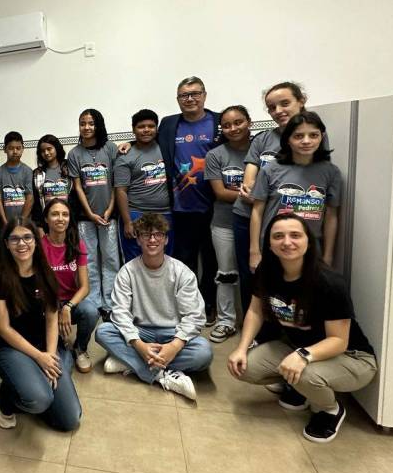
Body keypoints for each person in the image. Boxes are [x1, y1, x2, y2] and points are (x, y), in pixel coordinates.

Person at [227, 214, 377, 443]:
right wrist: (241, 348)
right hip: (298, 347)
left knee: (305, 375)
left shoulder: (329, 282)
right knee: (245, 367)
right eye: (278, 236)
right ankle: (299, 387)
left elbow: (339, 341)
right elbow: (256, 311)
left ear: (309, 241)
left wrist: (303, 356)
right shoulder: (267, 270)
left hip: (352, 358)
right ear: (269, 244)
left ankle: (329, 409)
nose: (287, 242)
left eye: (295, 235)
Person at [94, 213, 213, 400]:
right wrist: (139, 344)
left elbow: (194, 315)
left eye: (158, 235)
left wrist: (175, 346)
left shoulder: (182, 272)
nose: (152, 240)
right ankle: (162, 375)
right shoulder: (127, 272)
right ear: (138, 239)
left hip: (172, 332)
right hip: (141, 332)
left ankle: (129, 362)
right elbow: (120, 313)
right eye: (145, 235)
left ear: (166, 239)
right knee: (103, 332)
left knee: (204, 352)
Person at [234, 82, 328, 313]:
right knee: (252, 273)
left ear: (301, 101)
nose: (278, 111)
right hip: (249, 215)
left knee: (288, 278)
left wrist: (266, 193)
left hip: (286, 221)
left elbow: (311, 179)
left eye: (284, 103)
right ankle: (254, 324)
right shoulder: (263, 139)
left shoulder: (312, 137)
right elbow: (249, 185)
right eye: (271, 107)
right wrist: (259, 192)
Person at [0, 217, 82, 431]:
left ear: (36, 241)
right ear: (6, 244)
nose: (22, 243)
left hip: (42, 344)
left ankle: (37, 380)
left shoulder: (46, 273)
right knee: (39, 400)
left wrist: (50, 356)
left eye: (27, 237)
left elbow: (51, 318)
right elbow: (4, 329)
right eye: (15, 239)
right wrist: (39, 358)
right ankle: (5, 395)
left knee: (69, 420)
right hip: (10, 347)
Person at [158, 77, 221, 324]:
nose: (190, 99)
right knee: (185, 260)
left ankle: (209, 305)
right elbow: (150, 141)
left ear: (204, 95)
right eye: (184, 95)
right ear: (178, 99)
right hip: (181, 206)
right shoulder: (169, 124)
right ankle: (188, 306)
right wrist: (128, 145)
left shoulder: (218, 121)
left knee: (212, 260)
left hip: (214, 205)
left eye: (195, 93)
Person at [250, 111, 342, 271]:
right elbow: (257, 212)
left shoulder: (331, 172)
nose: (306, 141)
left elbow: (331, 216)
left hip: (311, 250)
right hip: (275, 246)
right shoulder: (270, 170)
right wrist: (254, 251)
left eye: (313, 135)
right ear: (288, 139)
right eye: (298, 136)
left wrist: (328, 255)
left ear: (322, 137)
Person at [203, 105, 252, 343]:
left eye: (238, 122)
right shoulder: (215, 155)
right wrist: (257, 197)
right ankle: (226, 321)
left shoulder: (261, 152)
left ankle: (258, 326)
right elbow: (220, 193)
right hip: (224, 223)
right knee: (226, 273)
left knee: (257, 273)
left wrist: (257, 199)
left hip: (259, 221)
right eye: (227, 125)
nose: (233, 128)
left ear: (249, 122)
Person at [67, 108, 120, 313]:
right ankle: (93, 302)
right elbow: (77, 187)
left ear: (98, 125)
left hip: (109, 215)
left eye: (91, 123)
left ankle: (110, 303)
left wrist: (110, 208)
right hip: (85, 217)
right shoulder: (74, 153)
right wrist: (89, 213)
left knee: (110, 259)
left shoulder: (110, 148)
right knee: (88, 260)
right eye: (83, 123)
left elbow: (116, 182)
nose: (87, 127)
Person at [41, 199, 100, 373]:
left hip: (70, 302)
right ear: (46, 219)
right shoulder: (39, 246)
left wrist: (67, 307)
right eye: (55, 214)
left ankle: (80, 348)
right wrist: (55, 308)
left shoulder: (77, 244)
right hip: (46, 303)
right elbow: (38, 286)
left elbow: (85, 287)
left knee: (90, 311)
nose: (60, 218)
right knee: (58, 359)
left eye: (65, 214)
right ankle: (57, 341)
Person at [113, 110, 171, 262]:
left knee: (166, 258)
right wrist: (127, 222)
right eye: (141, 127)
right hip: (136, 214)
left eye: (151, 126)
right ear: (133, 129)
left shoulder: (166, 148)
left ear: (157, 129)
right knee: (135, 260)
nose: (146, 130)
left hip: (166, 213)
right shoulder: (125, 156)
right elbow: (121, 191)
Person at [0, 131, 34, 227]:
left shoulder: (28, 171)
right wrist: (5, 222)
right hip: (5, 224)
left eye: (18, 148)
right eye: (11, 148)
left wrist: (21, 222)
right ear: (4, 149)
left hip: (25, 223)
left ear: (23, 149)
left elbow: (30, 199)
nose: (15, 151)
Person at [32, 134, 73, 221]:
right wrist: (39, 225)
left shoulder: (70, 168)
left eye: (49, 149)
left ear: (56, 148)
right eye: (42, 151)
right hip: (47, 221)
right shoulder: (37, 174)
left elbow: (76, 196)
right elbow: (36, 203)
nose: (46, 153)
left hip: (68, 219)